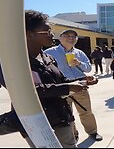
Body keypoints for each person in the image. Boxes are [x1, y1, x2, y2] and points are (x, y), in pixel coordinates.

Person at [5, 10, 97, 147]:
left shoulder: (47, 57)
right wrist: (67, 88)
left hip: (61, 117)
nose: (52, 34)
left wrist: (81, 81)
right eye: (47, 31)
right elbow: (27, 91)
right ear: (29, 34)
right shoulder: (13, 63)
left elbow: (60, 80)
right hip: (36, 122)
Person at [44, 29, 103, 142]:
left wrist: (79, 63)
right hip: (63, 86)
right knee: (67, 115)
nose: (71, 38)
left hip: (80, 85)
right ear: (60, 37)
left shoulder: (79, 53)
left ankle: (92, 132)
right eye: (67, 35)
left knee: (86, 111)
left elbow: (89, 68)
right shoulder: (50, 52)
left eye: (74, 36)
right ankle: (73, 135)